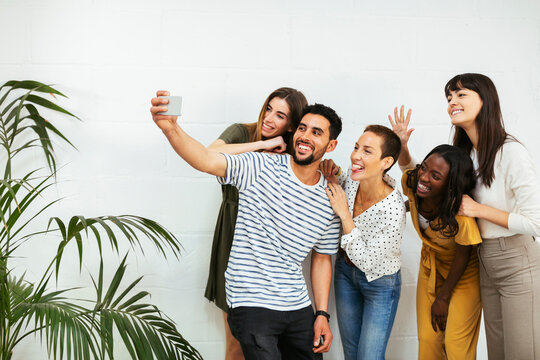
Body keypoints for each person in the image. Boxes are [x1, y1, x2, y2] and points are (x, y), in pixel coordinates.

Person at [150, 99, 343, 360]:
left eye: (316, 132)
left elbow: (321, 258)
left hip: (297, 304)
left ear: (331, 146)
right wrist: (171, 128)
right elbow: (206, 159)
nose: (305, 136)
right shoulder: (259, 167)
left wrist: (321, 313)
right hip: (251, 301)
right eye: (302, 128)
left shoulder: (331, 197)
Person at [390, 73, 540, 359]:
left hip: (517, 260)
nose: (452, 102)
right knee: (497, 352)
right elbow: (426, 177)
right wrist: (403, 148)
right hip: (483, 260)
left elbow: (536, 222)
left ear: (486, 101)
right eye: (449, 97)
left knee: (523, 352)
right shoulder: (467, 155)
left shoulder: (511, 152)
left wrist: (477, 209)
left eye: (461, 95)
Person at [321, 125, 405, 360]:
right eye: (357, 147)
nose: (356, 155)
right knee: (351, 354)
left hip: (380, 283)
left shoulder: (393, 210)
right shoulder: (356, 178)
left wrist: (344, 215)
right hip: (345, 273)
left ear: (385, 162)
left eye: (367, 151)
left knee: (369, 356)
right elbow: (345, 180)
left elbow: (367, 261)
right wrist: (334, 171)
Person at [399, 144, 482, 359]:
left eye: (435, 175)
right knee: (428, 340)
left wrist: (443, 298)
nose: (423, 178)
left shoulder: (461, 215)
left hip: (463, 274)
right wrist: (403, 146)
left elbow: (463, 255)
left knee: (456, 345)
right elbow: (407, 167)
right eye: (424, 168)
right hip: (430, 266)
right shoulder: (411, 182)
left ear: (450, 185)